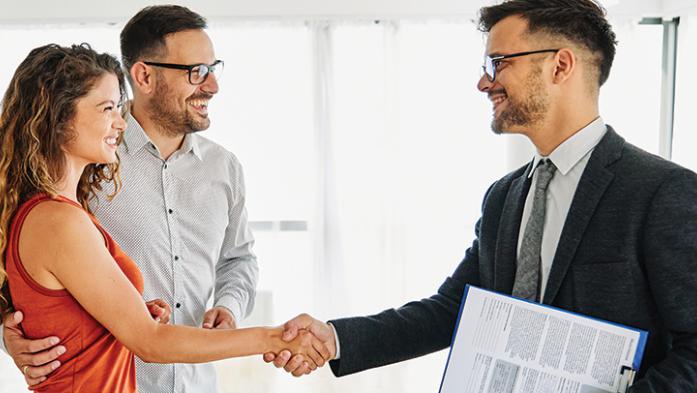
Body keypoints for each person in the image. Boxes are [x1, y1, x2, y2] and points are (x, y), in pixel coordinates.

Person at [264, 0, 697, 390]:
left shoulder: (662, 192)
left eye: (499, 62)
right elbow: (456, 310)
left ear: (560, 66)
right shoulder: (504, 198)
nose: (483, 82)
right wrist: (335, 338)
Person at [0, 43, 329, 393]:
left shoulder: (59, 212)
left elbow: (75, 319)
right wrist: (275, 338)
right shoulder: (58, 221)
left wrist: (134, 310)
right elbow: (151, 342)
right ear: (59, 118)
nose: (120, 121)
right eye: (107, 108)